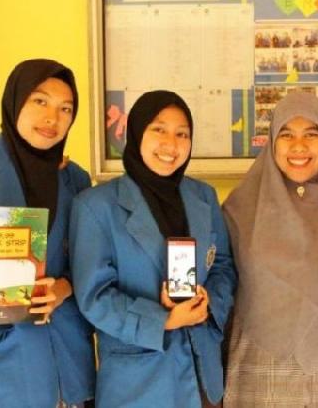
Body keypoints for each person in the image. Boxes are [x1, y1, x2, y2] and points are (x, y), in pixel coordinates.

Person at [69, 90, 237, 407]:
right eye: (159, 130)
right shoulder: (96, 206)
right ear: (135, 133)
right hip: (138, 384)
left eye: (182, 134)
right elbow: (94, 297)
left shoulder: (203, 197)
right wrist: (164, 320)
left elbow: (223, 266)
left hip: (202, 379)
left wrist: (209, 304)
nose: (171, 144)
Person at [0, 59, 95, 407]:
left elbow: (89, 262)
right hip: (2, 363)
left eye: (65, 108)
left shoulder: (75, 179)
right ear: (15, 101)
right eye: (40, 101)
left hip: (70, 364)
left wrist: (63, 288)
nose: (52, 118)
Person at [222, 92, 318, 407]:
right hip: (258, 359)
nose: (299, 146)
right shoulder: (240, 209)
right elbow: (222, 284)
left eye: (311, 134)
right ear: (272, 141)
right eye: (286, 134)